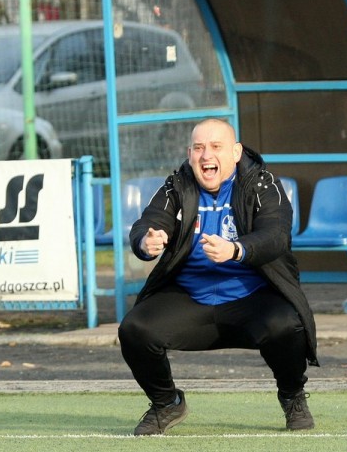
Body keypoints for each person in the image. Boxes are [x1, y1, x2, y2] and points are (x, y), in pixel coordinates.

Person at [117, 118, 317, 435]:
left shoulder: (264, 185)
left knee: (287, 324)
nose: (206, 155)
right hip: (190, 298)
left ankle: (292, 396)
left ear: (236, 152)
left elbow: (276, 235)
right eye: (198, 148)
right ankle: (166, 403)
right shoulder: (176, 186)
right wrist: (145, 241)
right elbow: (149, 222)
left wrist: (236, 250)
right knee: (134, 329)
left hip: (251, 297)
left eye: (215, 146)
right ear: (190, 154)